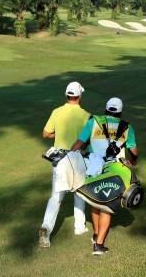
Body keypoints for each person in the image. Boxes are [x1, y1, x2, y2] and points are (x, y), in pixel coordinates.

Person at [71, 97, 139, 255]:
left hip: (94, 168)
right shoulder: (127, 127)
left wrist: (69, 157)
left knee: (96, 202)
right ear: (120, 112)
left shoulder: (93, 122)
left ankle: (96, 235)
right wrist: (133, 161)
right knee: (107, 207)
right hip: (114, 171)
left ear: (106, 109)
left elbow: (79, 143)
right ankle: (99, 246)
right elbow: (134, 151)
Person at [38, 82, 91, 248]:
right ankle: (79, 227)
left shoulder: (56, 112)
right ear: (79, 96)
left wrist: (58, 133)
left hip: (59, 158)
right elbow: (88, 140)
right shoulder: (86, 115)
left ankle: (46, 227)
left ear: (66, 95)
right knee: (79, 193)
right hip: (77, 158)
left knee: (56, 197)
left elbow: (46, 133)